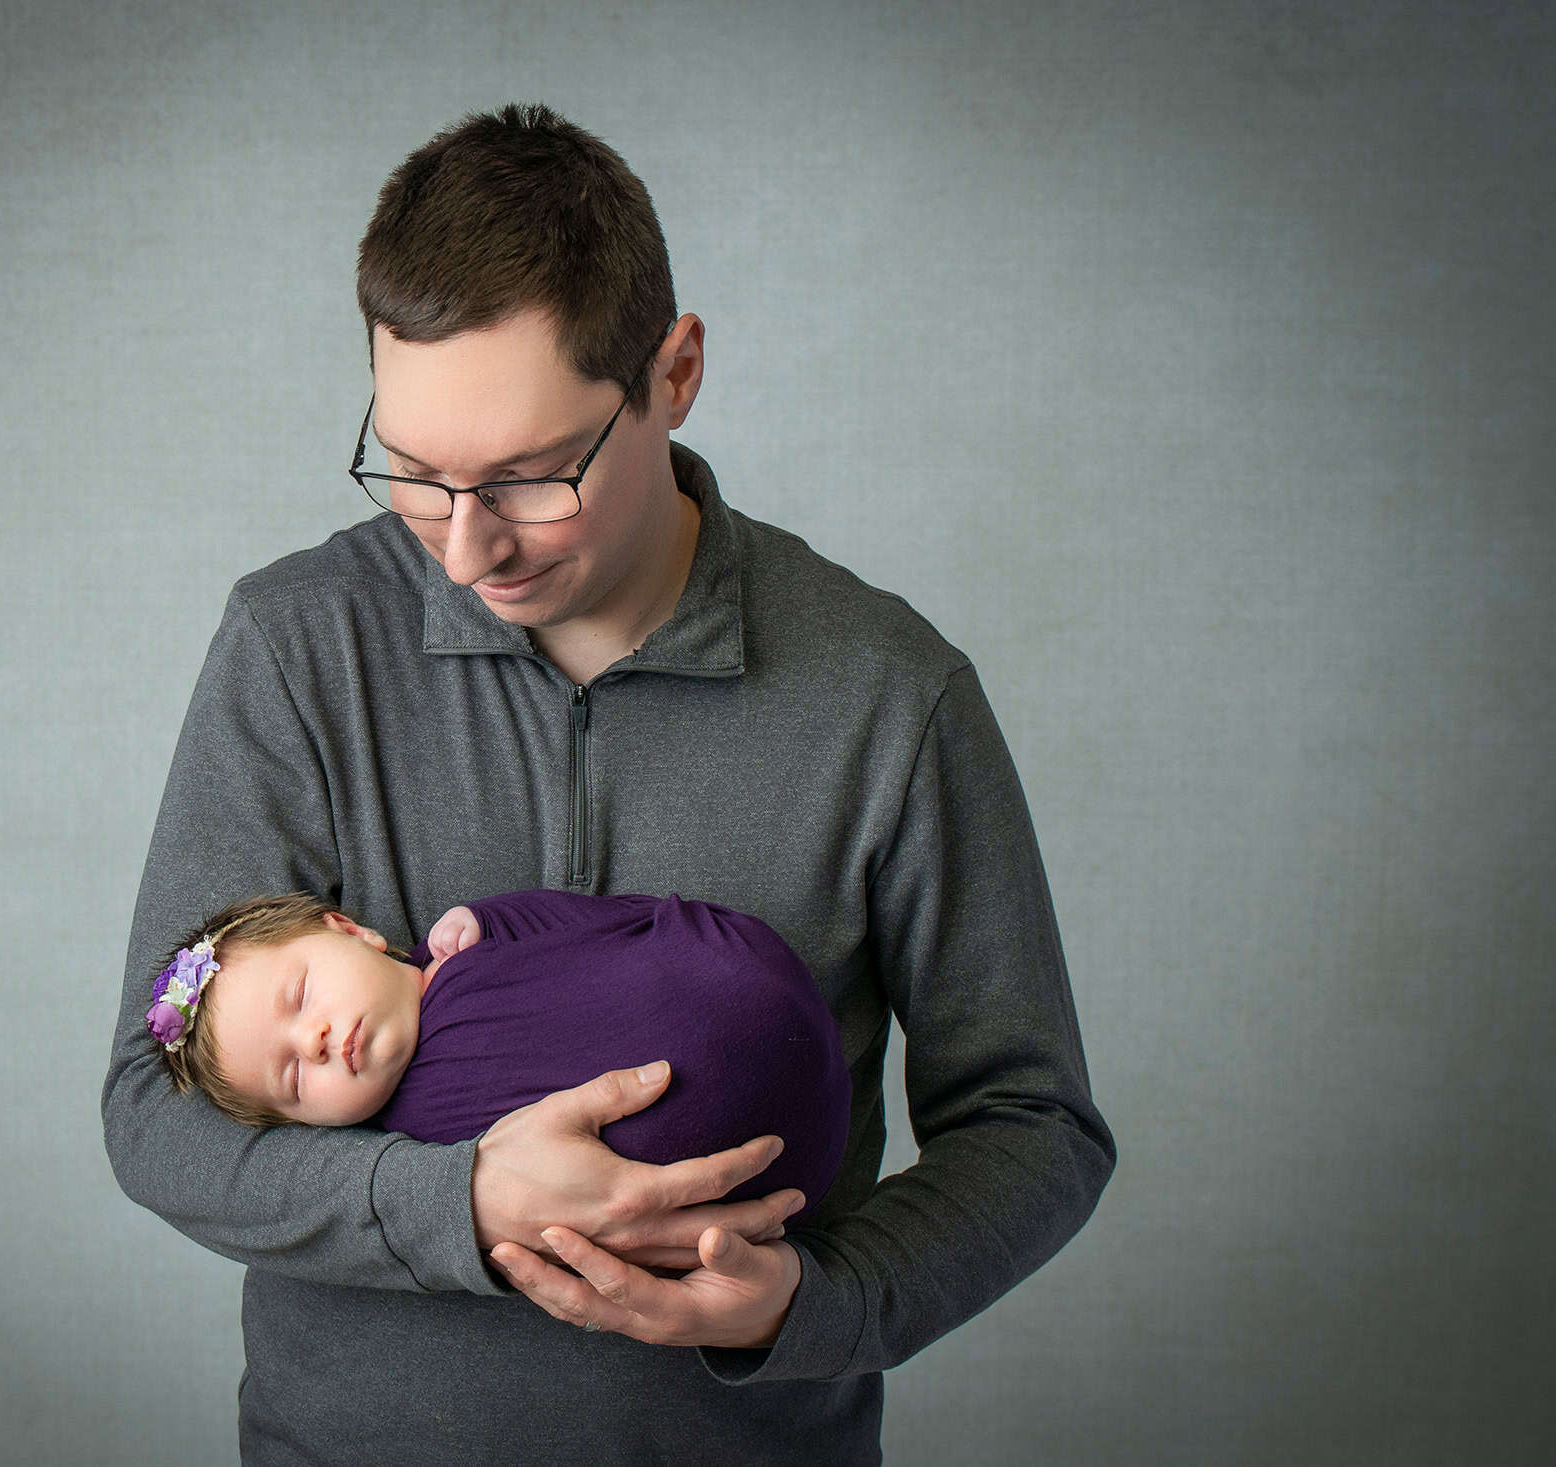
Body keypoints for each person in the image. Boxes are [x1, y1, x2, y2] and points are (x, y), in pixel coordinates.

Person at [103, 103, 1115, 1465]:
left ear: (675, 370)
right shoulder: (297, 647)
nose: (463, 549)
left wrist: (814, 1301)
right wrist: (462, 1200)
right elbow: (154, 1110)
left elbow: (1032, 1125)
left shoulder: (889, 693)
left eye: (529, 475)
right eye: (412, 470)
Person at [145, 888, 851, 1211]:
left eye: (301, 997)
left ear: (350, 929)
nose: (318, 1040)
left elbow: (594, 919)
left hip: (757, 987)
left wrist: (481, 918)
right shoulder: (423, 1151)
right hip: (765, 1183)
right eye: (293, 1076)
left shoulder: (465, 945)